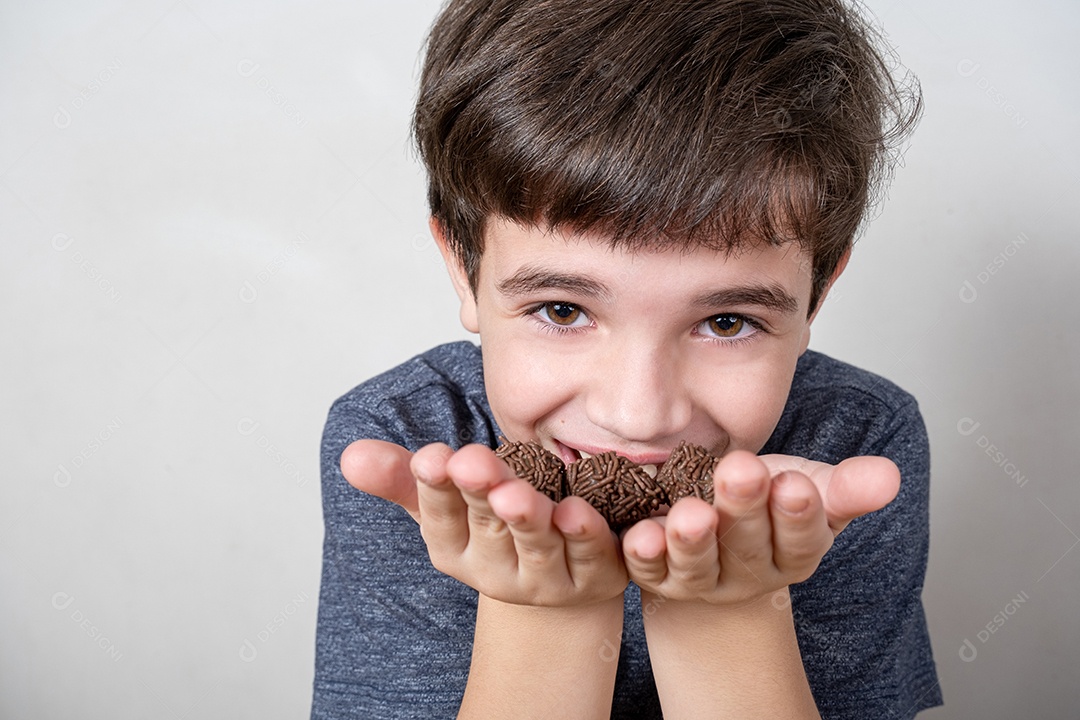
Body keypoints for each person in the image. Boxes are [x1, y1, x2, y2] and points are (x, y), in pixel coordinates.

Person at [311, 0, 941, 717]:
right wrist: (545, 611)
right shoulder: (407, 444)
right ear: (465, 269)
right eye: (562, 310)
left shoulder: (849, 453)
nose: (638, 416)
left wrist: (727, 609)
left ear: (816, 297)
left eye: (726, 321)